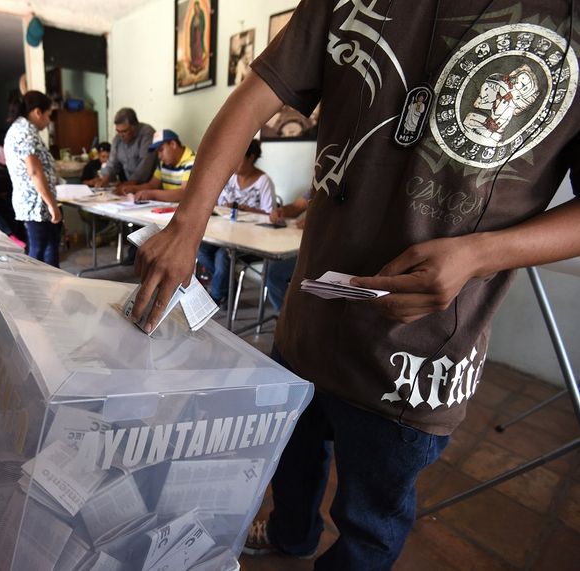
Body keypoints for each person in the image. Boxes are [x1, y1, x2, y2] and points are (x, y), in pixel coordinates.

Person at [129, 2, 580, 569]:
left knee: (370, 519)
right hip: (310, 318)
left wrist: (479, 254)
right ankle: (291, 533)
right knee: (292, 459)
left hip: (419, 352)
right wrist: (188, 223)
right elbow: (254, 97)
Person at [196, 139, 276, 304]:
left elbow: (270, 215)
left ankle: (216, 297)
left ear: (251, 157)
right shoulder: (230, 178)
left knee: (222, 256)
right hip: (224, 232)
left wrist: (243, 208)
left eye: (238, 159)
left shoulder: (263, 181)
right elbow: (217, 205)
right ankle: (228, 283)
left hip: (251, 238)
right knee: (200, 248)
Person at [3, 90, 62, 267]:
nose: (49, 120)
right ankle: (34, 289)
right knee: (39, 251)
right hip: (36, 204)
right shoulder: (25, 133)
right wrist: (52, 205)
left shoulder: (21, 129)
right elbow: (35, 172)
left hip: (35, 202)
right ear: (37, 112)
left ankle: (53, 286)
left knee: (49, 246)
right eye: (48, 115)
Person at [90, 108, 156, 189]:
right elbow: (112, 165)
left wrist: (129, 184)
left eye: (124, 131)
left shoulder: (147, 133)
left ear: (134, 127)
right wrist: (105, 179)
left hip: (148, 186)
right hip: (130, 187)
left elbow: (145, 165)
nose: (121, 135)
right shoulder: (117, 139)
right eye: (118, 131)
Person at [265, 196, 309, 311]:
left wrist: (315, 223)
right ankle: (288, 319)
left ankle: (287, 319)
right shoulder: (319, 183)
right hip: (304, 246)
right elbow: (297, 206)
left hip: (330, 250)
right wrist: (281, 211)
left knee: (274, 273)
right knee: (272, 269)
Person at [128, 129, 196, 202]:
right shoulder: (164, 163)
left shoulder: (192, 162)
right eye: (157, 152)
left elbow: (184, 193)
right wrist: (133, 189)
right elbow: (152, 185)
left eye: (161, 150)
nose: (159, 156)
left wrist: (153, 195)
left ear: (173, 144)